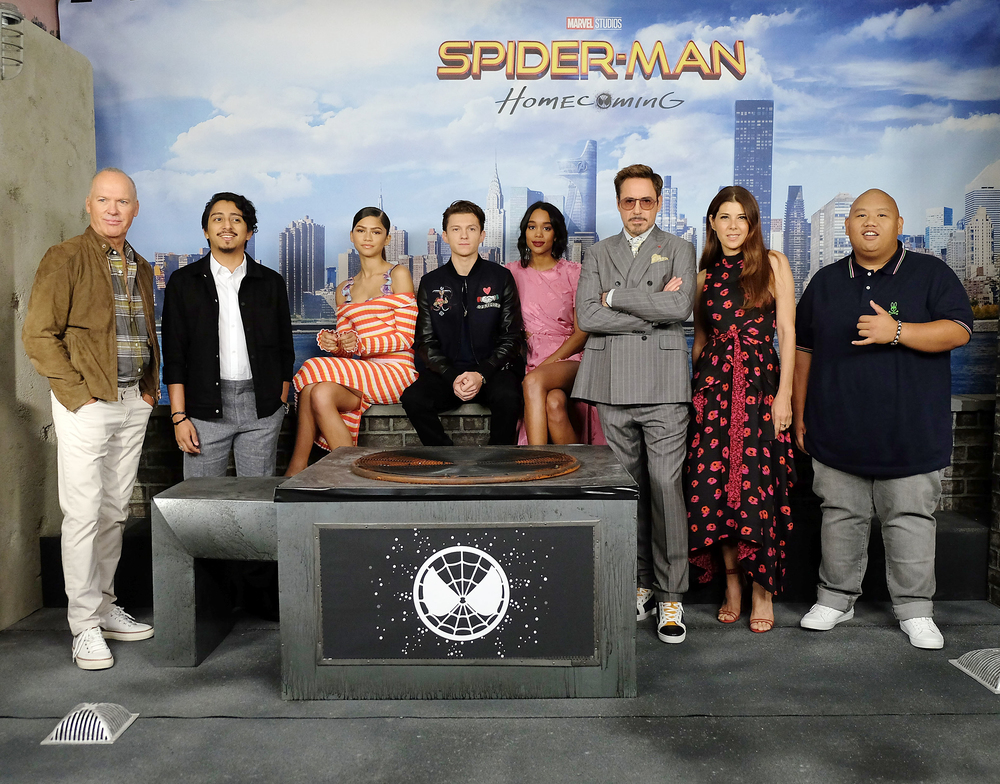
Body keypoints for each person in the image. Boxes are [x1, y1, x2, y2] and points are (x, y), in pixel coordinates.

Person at [793, 189, 973, 650]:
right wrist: (798, 412)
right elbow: (803, 351)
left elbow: (958, 330)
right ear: (847, 226)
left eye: (881, 215)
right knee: (839, 516)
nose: (869, 222)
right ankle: (835, 599)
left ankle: (915, 610)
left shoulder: (931, 273)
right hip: (837, 426)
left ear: (899, 224)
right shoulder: (825, 281)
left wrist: (897, 331)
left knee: (910, 519)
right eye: (860, 215)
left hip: (911, 429)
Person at [22, 168, 158, 670]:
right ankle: (83, 626)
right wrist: (78, 396)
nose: (113, 209)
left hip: (132, 401)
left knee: (114, 510)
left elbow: (143, 330)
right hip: (88, 402)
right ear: (88, 204)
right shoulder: (65, 257)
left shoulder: (141, 266)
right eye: (104, 200)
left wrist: (149, 392)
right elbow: (39, 334)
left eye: (122, 202)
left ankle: (103, 606)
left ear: (135, 208)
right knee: (82, 514)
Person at [573, 164, 697, 644]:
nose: (638, 209)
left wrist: (615, 297)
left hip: (664, 385)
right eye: (630, 201)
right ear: (618, 203)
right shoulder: (598, 251)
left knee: (665, 487)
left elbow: (679, 307)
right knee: (629, 490)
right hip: (613, 383)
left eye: (647, 201)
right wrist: (648, 310)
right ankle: (639, 581)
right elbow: (587, 315)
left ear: (659, 203)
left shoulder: (680, 248)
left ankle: (671, 594)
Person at [685, 186, 796, 634]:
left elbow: (787, 332)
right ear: (712, 223)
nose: (733, 226)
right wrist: (693, 396)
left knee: (757, 488)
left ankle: (762, 591)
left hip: (760, 388)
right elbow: (700, 341)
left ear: (753, 224)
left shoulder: (773, 263)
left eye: (741, 218)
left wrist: (784, 395)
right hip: (713, 393)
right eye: (724, 217)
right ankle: (732, 585)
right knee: (714, 490)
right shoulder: (703, 276)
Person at [162, 192, 294, 478]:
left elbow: (285, 348)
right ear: (206, 230)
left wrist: (280, 401)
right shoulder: (183, 283)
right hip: (203, 408)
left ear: (249, 231)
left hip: (261, 410)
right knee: (200, 499)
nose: (227, 226)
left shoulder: (271, 282)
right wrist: (179, 416)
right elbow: (174, 354)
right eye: (218, 219)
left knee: (256, 499)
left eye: (236, 219)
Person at [285, 207, 417, 475]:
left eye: (376, 232)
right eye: (361, 230)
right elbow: (348, 350)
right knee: (317, 392)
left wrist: (360, 345)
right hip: (364, 375)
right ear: (352, 236)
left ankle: (295, 469)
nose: (367, 237)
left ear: (387, 239)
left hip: (396, 372)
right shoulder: (343, 289)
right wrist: (336, 344)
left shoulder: (398, 275)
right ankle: (350, 473)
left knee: (312, 366)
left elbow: (406, 337)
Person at [400, 200, 525, 445]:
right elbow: (425, 341)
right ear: (445, 236)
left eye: (471, 229)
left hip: (493, 371)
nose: (464, 235)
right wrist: (451, 376)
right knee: (413, 399)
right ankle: (447, 458)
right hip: (446, 373)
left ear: (482, 235)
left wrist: (482, 374)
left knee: (509, 398)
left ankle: (496, 461)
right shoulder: (430, 282)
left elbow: (511, 338)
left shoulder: (500, 277)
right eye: (456, 229)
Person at [505, 202, 604, 445]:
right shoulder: (510, 273)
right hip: (531, 358)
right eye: (532, 227)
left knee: (533, 381)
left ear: (556, 234)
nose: (538, 234)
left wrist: (547, 364)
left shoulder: (574, 272)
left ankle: (535, 461)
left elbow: (582, 333)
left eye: (546, 228)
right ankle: (577, 467)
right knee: (554, 403)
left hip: (570, 358)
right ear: (524, 232)